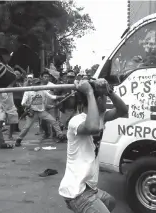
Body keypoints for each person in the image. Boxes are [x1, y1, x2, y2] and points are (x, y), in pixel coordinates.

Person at [59, 78, 129, 213]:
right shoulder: (76, 120)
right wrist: (90, 92)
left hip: (90, 187)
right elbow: (92, 128)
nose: (107, 101)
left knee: (110, 202)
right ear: (97, 101)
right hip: (77, 191)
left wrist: (109, 92)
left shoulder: (101, 117)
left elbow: (122, 110)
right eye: (104, 98)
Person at [15, 73, 66, 147]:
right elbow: (23, 103)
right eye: (36, 84)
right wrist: (27, 105)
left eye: (39, 84)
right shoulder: (28, 92)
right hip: (32, 112)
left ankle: (60, 135)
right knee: (27, 127)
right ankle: (19, 139)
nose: (38, 85)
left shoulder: (43, 90)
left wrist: (61, 96)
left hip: (41, 111)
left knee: (53, 121)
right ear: (32, 84)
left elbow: (51, 96)